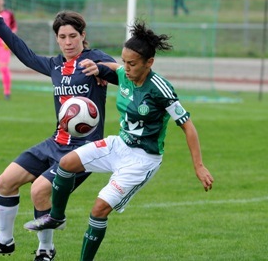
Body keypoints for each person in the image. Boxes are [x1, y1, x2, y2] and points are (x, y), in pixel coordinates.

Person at [24, 20, 214, 261]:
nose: (126, 68)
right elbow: (114, 68)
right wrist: (97, 67)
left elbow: (187, 126)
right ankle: (57, 216)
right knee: (66, 164)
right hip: (119, 145)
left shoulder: (160, 88)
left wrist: (198, 165)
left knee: (99, 209)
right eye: (124, 61)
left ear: (149, 63)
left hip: (142, 160)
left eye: (132, 63)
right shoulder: (125, 73)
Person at [0, 10, 116, 261]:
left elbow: (124, 73)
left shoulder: (95, 58)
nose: (68, 42)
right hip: (56, 141)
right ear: (57, 39)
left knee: (39, 191)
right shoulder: (55, 65)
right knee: (6, 181)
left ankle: (46, 250)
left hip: (84, 149)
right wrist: (1, 27)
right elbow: (26, 56)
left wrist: (103, 69)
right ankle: (4, 241)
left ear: (83, 36)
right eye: (63, 37)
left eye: (73, 36)